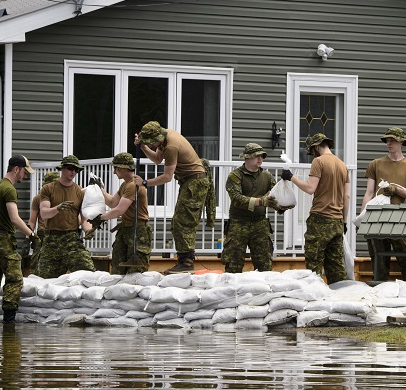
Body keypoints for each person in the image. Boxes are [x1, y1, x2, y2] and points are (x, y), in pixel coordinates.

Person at [134, 121, 212, 274]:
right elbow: (157, 159)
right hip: (189, 182)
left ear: (158, 138)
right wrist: (143, 147)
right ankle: (184, 260)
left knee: (182, 223)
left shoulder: (171, 146)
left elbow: (167, 177)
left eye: (152, 143)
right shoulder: (165, 136)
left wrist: (144, 182)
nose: (153, 145)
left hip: (195, 183)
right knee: (178, 222)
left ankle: (187, 262)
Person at [282, 133, 350, 283]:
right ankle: (341, 297)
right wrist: (344, 221)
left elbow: (310, 188)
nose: (313, 155)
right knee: (336, 266)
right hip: (337, 221)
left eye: (313, 151)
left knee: (314, 265)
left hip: (320, 219)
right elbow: (347, 197)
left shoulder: (319, 162)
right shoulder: (343, 165)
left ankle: (315, 300)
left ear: (317, 147)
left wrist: (291, 177)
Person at [0, 154, 36, 323]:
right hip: (2, 239)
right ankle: (9, 321)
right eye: (24, 172)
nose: (25, 176)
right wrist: (32, 235)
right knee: (15, 278)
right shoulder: (9, 189)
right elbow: (14, 219)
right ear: (16, 169)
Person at [360, 127, 406, 281]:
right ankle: (380, 287)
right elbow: (369, 192)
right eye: (387, 140)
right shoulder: (376, 164)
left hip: (401, 218)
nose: (389, 143)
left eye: (392, 140)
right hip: (378, 216)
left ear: (401, 142)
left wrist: (396, 190)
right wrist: (363, 216)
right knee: (379, 256)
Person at [223, 143, 285, 273]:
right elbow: (236, 198)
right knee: (233, 265)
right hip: (238, 223)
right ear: (247, 158)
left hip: (260, 223)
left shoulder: (267, 176)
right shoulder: (235, 176)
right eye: (256, 156)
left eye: (262, 156)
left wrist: (282, 204)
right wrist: (261, 201)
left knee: (264, 265)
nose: (260, 159)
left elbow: (275, 195)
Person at [92, 152, 152, 275]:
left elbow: (119, 210)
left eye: (116, 168)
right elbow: (113, 203)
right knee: (117, 269)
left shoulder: (133, 185)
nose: (114, 172)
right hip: (126, 229)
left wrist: (100, 218)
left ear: (123, 168)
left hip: (138, 231)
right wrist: (100, 189)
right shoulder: (125, 184)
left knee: (135, 272)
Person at [37, 155, 96, 278]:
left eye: (76, 170)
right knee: (46, 278)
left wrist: (88, 230)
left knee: (88, 272)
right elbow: (44, 213)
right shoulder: (48, 189)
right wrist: (58, 208)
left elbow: (84, 219)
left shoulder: (79, 192)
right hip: (52, 239)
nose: (73, 172)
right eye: (70, 168)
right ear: (62, 169)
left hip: (71, 238)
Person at [25, 171, 60, 273]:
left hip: (58, 235)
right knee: (36, 267)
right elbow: (32, 221)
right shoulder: (38, 198)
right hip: (42, 235)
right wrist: (27, 239)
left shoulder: (61, 197)